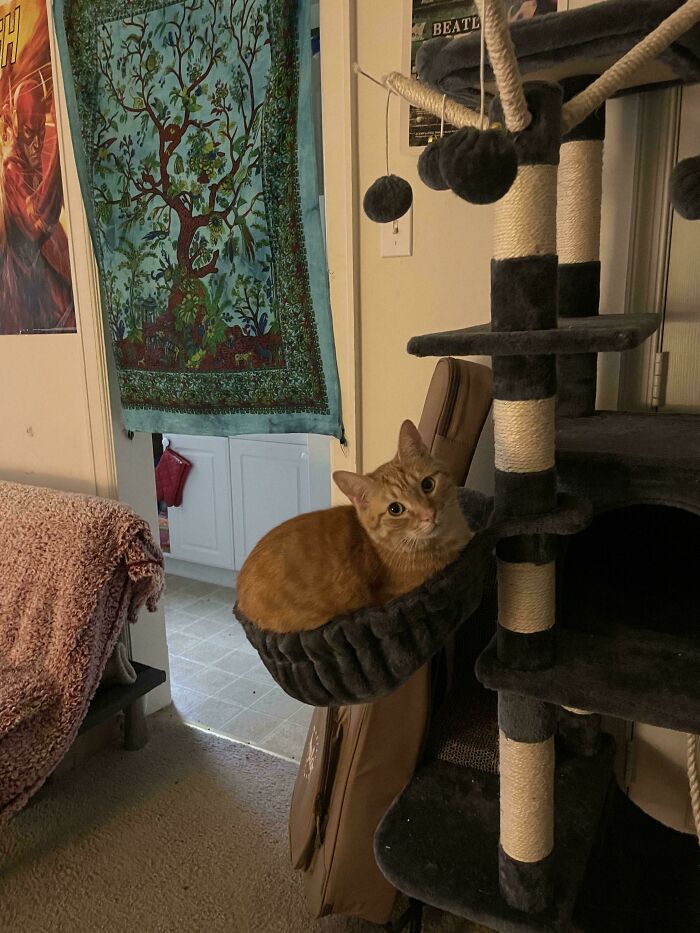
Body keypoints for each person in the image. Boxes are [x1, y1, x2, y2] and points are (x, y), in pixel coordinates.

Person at [0, 78, 74, 334]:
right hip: (23, 284)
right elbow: (35, 228)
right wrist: (61, 149)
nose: (37, 143)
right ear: (19, 128)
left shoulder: (30, 162)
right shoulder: (11, 169)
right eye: (30, 133)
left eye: (42, 132)